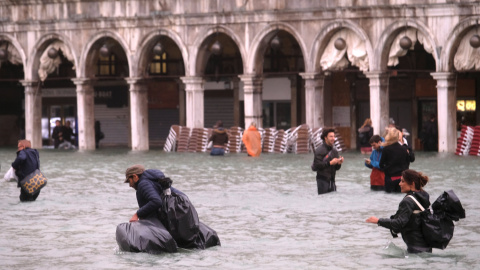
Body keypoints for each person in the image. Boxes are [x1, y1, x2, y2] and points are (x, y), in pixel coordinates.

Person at [366, 169, 432, 254]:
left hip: (415, 249)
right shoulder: (423, 197)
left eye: (402, 181)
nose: (399, 184)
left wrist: (378, 221)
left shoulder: (408, 201)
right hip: (426, 247)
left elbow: (399, 223)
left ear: (412, 184)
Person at [311, 128, 344, 195]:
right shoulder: (319, 150)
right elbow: (317, 165)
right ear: (325, 138)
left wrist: (339, 164)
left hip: (332, 180)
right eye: (331, 136)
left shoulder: (334, 151)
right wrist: (330, 163)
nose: (333, 138)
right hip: (322, 180)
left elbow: (336, 168)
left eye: (334, 136)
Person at [379, 127, 410, 193]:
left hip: (390, 177)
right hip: (401, 178)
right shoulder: (404, 149)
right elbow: (407, 163)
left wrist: (386, 170)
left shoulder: (386, 149)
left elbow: (381, 164)